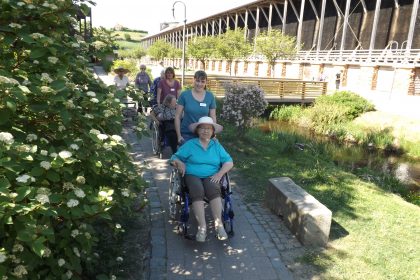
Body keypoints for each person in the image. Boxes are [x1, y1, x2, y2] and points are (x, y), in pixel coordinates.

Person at [170, 116, 234, 242]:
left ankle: (219, 225)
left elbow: (229, 162)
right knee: (197, 190)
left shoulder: (216, 146)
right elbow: (174, 158)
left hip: (212, 174)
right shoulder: (190, 144)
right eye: (202, 128)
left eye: (209, 129)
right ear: (197, 131)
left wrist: (220, 173)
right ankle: (202, 227)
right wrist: (180, 163)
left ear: (212, 131)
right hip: (192, 174)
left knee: (214, 190)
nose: (206, 131)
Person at [175, 70, 216, 144]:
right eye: (197, 81)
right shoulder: (184, 95)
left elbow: (213, 116)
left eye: (202, 81)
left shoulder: (210, 96)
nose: (199, 84)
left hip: (204, 134)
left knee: (203, 155)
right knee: (188, 155)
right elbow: (177, 116)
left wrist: (213, 134)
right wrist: (179, 136)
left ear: (206, 82)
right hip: (187, 134)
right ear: (193, 80)